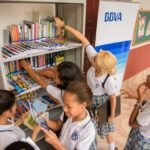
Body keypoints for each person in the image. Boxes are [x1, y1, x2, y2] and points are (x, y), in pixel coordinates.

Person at [53, 17, 118, 150]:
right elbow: (83, 39)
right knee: (89, 124)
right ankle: (89, 143)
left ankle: (112, 147)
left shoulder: (109, 80)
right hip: (89, 97)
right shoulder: (96, 58)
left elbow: (112, 97)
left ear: (101, 67)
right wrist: (64, 26)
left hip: (101, 102)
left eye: (94, 61)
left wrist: (111, 115)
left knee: (104, 126)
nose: (92, 59)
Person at [20, 61, 83, 140]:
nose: (53, 76)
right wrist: (35, 70)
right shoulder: (79, 87)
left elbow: (41, 82)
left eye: (55, 77)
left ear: (62, 81)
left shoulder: (63, 95)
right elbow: (58, 125)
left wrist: (29, 69)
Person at [41, 81, 96, 150]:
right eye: (64, 104)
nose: (64, 109)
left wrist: (56, 143)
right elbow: (57, 126)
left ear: (83, 106)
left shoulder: (88, 131)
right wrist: (43, 119)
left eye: (69, 106)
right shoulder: (67, 114)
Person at [122, 77, 150, 149]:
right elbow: (146, 104)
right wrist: (137, 97)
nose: (147, 76)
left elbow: (131, 123)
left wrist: (139, 101)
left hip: (141, 140)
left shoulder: (148, 113)